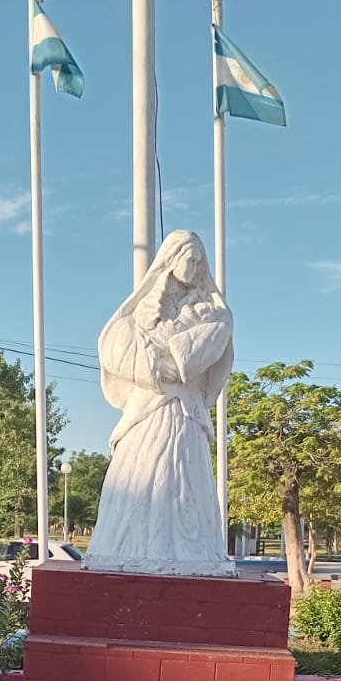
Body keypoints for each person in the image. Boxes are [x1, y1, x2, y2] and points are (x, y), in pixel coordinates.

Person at [84, 230, 235, 575]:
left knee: (181, 482)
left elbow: (190, 362)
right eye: (189, 259)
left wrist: (152, 354)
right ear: (171, 259)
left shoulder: (214, 315)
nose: (195, 267)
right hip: (144, 414)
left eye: (200, 261)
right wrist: (155, 360)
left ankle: (186, 553)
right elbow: (117, 350)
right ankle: (128, 549)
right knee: (134, 482)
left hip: (183, 414)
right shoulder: (138, 313)